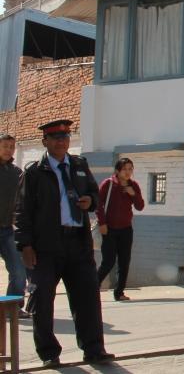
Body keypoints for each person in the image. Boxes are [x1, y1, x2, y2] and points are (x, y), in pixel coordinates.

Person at [15, 120, 114, 367]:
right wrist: (25, 245)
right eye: (56, 137)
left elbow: (95, 195)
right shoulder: (35, 172)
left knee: (87, 298)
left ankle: (94, 349)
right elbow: (22, 212)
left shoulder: (79, 165)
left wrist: (89, 201)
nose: (62, 141)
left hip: (77, 243)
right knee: (42, 301)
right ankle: (49, 353)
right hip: (45, 247)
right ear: (45, 142)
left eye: (66, 136)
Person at [96, 157, 144, 302]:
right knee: (108, 261)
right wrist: (102, 223)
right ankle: (92, 288)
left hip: (126, 229)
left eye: (130, 169)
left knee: (124, 261)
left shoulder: (133, 185)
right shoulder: (108, 184)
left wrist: (133, 194)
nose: (128, 172)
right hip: (109, 229)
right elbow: (98, 205)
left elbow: (140, 206)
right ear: (117, 171)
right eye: (125, 169)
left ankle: (119, 292)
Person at [0, 134, 28, 318]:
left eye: (12, 146)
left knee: (19, 271)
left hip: (8, 230)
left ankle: (12, 308)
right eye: (5, 146)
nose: (9, 149)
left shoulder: (17, 173)